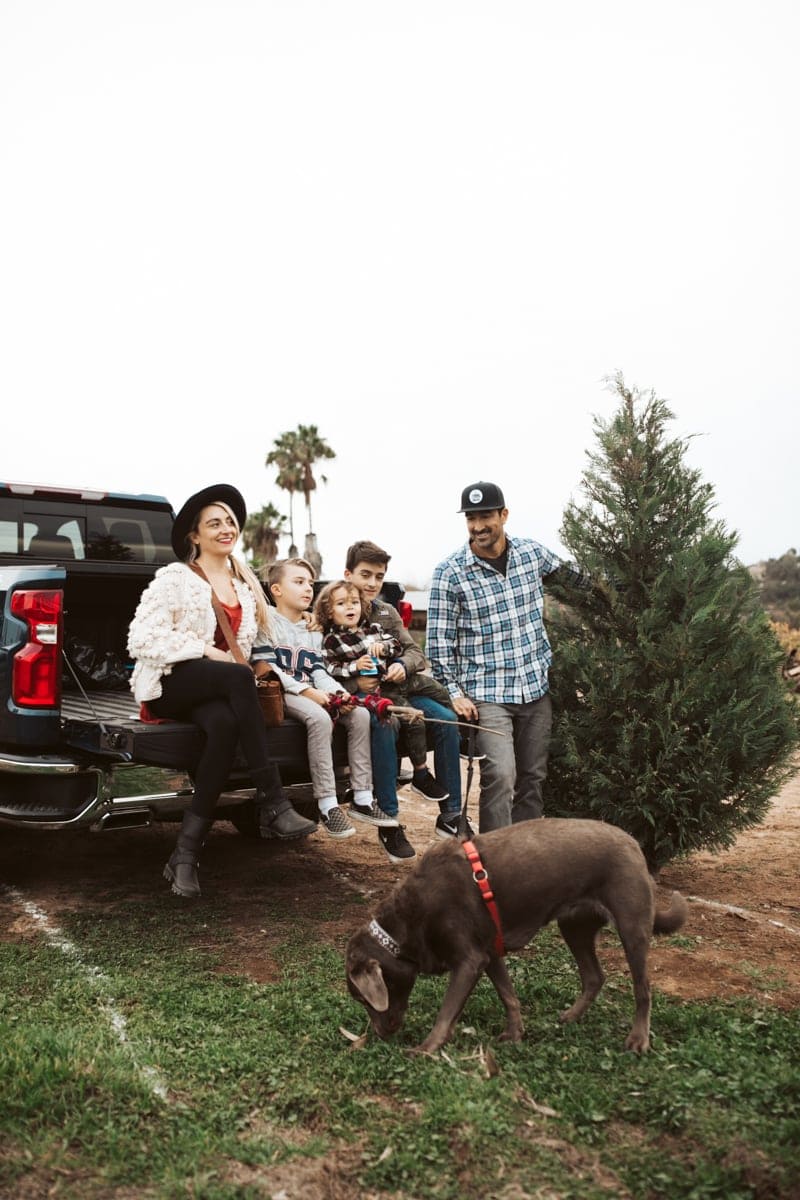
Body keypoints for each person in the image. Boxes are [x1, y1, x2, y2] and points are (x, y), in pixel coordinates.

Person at [127, 484, 317, 898]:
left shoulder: (244, 589)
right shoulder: (174, 578)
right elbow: (140, 639)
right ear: (194, 536)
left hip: (215, 690)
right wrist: (206, 650)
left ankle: (184, 854)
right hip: (170, 682)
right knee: (236, 676)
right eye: (214, 523)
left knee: (226, 724)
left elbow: (248, 647)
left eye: (230, 521)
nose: (225, 528)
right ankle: (272, 798)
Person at [427, 481, 591, 832]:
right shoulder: (450, 573)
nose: (478, 526)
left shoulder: (532, 555)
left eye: (485, 515)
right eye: (471, 518)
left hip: (535, 687)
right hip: (487, 696)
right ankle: (495, 862)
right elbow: (438, 644)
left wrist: (616, 584)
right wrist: (455, 693)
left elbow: (575, 579)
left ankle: (525, 862)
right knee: (501, 775)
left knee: (533, 778)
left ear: (504, 514)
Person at [250, 558, 397, 840]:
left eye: (309, 582)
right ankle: (328, 804)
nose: (308, 588)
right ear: (276, 589)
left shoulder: (313, 630)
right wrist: (312, 694)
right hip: (283, 692)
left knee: (361, 714)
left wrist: (338, 694)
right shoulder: (264, 621)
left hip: (311, 689)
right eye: (299, 582)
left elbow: (319, 672)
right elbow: (269, 669)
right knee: (319, 717)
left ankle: (363, 797)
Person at [342, 541, 469, 855]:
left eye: (379, 576)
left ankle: (451, 813)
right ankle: (390, 820)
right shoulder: (337, 608)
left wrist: (402, 664)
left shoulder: (386, 611)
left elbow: (414, 651)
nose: (372, 583)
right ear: (348, 574)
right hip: (363, 696)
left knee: (446, 718)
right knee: (387, 724)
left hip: (400, 688)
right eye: (365, 575)